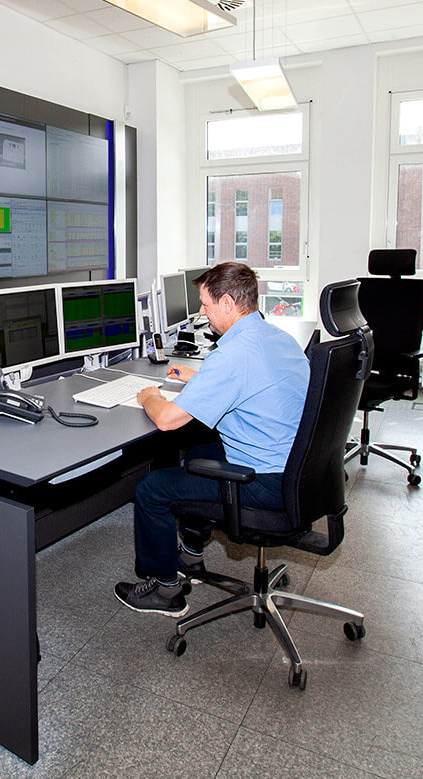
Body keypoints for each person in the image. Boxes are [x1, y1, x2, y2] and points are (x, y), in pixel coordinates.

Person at [115, 261, 310, 617]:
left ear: (228, 304)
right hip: (300, 468)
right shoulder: (275, 337)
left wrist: (148, 396)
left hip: (264, 481)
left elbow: (169, 421)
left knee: (151, 488)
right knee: (199, 454)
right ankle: (190, 554)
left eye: (205, 305)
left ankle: (165, 588)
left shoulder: (232, 355)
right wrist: (200, 377)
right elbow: (251, 380)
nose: (202, 314)